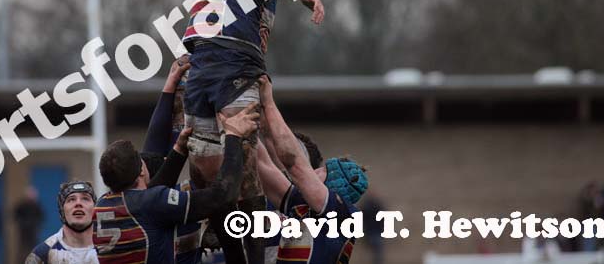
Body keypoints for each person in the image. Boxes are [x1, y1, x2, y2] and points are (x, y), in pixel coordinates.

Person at [142, 0, 324, 263]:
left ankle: (250, 254)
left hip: (234, 63)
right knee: (204, 165)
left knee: (238, 169)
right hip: (202, 60)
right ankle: (225, 245)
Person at [93, 104, 260, 264]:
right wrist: (233, 137)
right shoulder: (151, 203)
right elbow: (222, 196)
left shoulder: (102, 204)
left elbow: (147, 199)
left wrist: (179, 150)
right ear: (141, 171)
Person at [256, 76, 368, 263]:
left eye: (321, 170)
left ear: (334, 182)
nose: (314, 171)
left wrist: (268, 102)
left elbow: (293, 163)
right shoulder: (303, 205)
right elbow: (263, 164)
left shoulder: (342, 215)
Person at [25, 181, 97, 264]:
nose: (78, 203)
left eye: (85, 198)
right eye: (71, 199)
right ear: (62, 210)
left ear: (95, 208)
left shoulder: (109, 249)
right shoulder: (42, 254)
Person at [15, 186, 45, 258]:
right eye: (30, 195)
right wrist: (22, 223)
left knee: (34, 248)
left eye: (33, 195)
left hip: (33, 231)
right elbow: (16, 216)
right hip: (23, 232)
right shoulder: (21, 205)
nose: (32, 196)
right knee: (23, 249)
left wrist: (36, 224)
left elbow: (41, 216)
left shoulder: (37, 206)